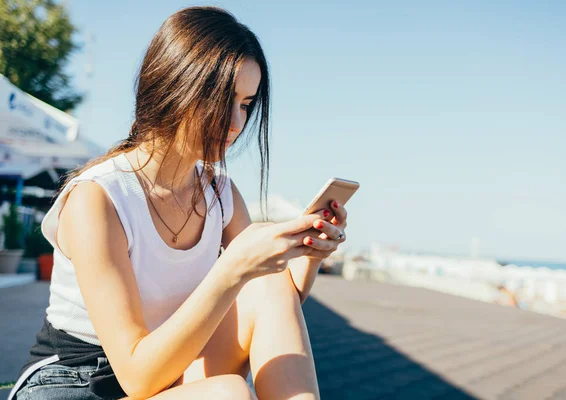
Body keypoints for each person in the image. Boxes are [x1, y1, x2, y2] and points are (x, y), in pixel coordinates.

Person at [10, 6, 348, 400]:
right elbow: (137, 376)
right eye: (225, 100)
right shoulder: (98, 198)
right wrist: (233, 268)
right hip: (77, 381)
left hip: (167, 366)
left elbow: (275, 306)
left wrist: (310, 253)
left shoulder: (219, 193)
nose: (237, 123)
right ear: (175, 87)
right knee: (227, 394)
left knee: (270, 288)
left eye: (245, 104)